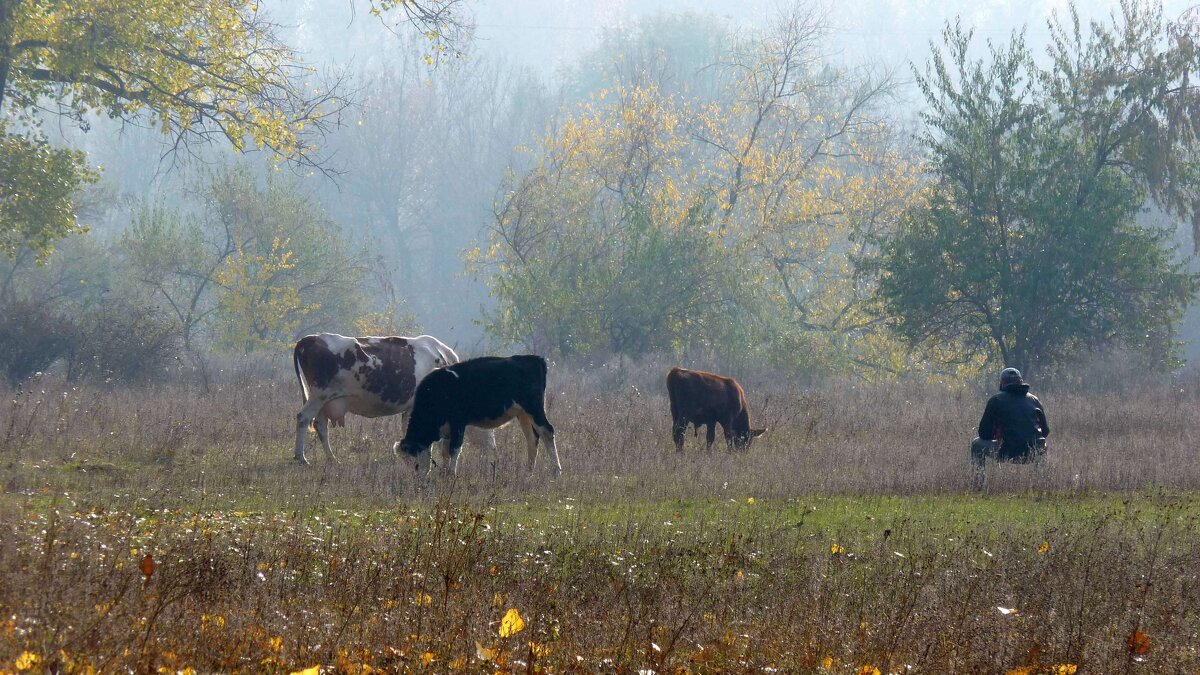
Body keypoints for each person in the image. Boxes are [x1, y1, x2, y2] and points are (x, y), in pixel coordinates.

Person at [971, 367, 1049, 486]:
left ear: (1003, 383)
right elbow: (1046, 432)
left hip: (1007, 451)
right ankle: (1042, 484)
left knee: (976, 444)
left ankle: (978, 484)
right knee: (1043, 445)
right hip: (1034, 453)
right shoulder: (1034, 400)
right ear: (1021, 382)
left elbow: (983, 434)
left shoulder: (996, 400)